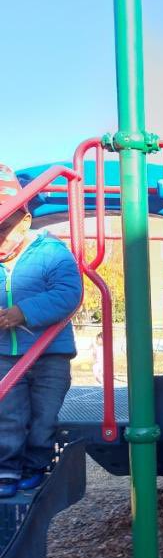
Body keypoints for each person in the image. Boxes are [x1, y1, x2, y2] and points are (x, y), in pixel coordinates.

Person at [0, 165, 81, 498]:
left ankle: (35, 465)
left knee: (45, 414)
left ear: (25, 221)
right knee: (8, 414)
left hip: (50, 353)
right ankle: (7, 469)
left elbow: (68, 293)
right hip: (6, 354)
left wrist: (24, 312)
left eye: (4, 228)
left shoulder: (50, 252)